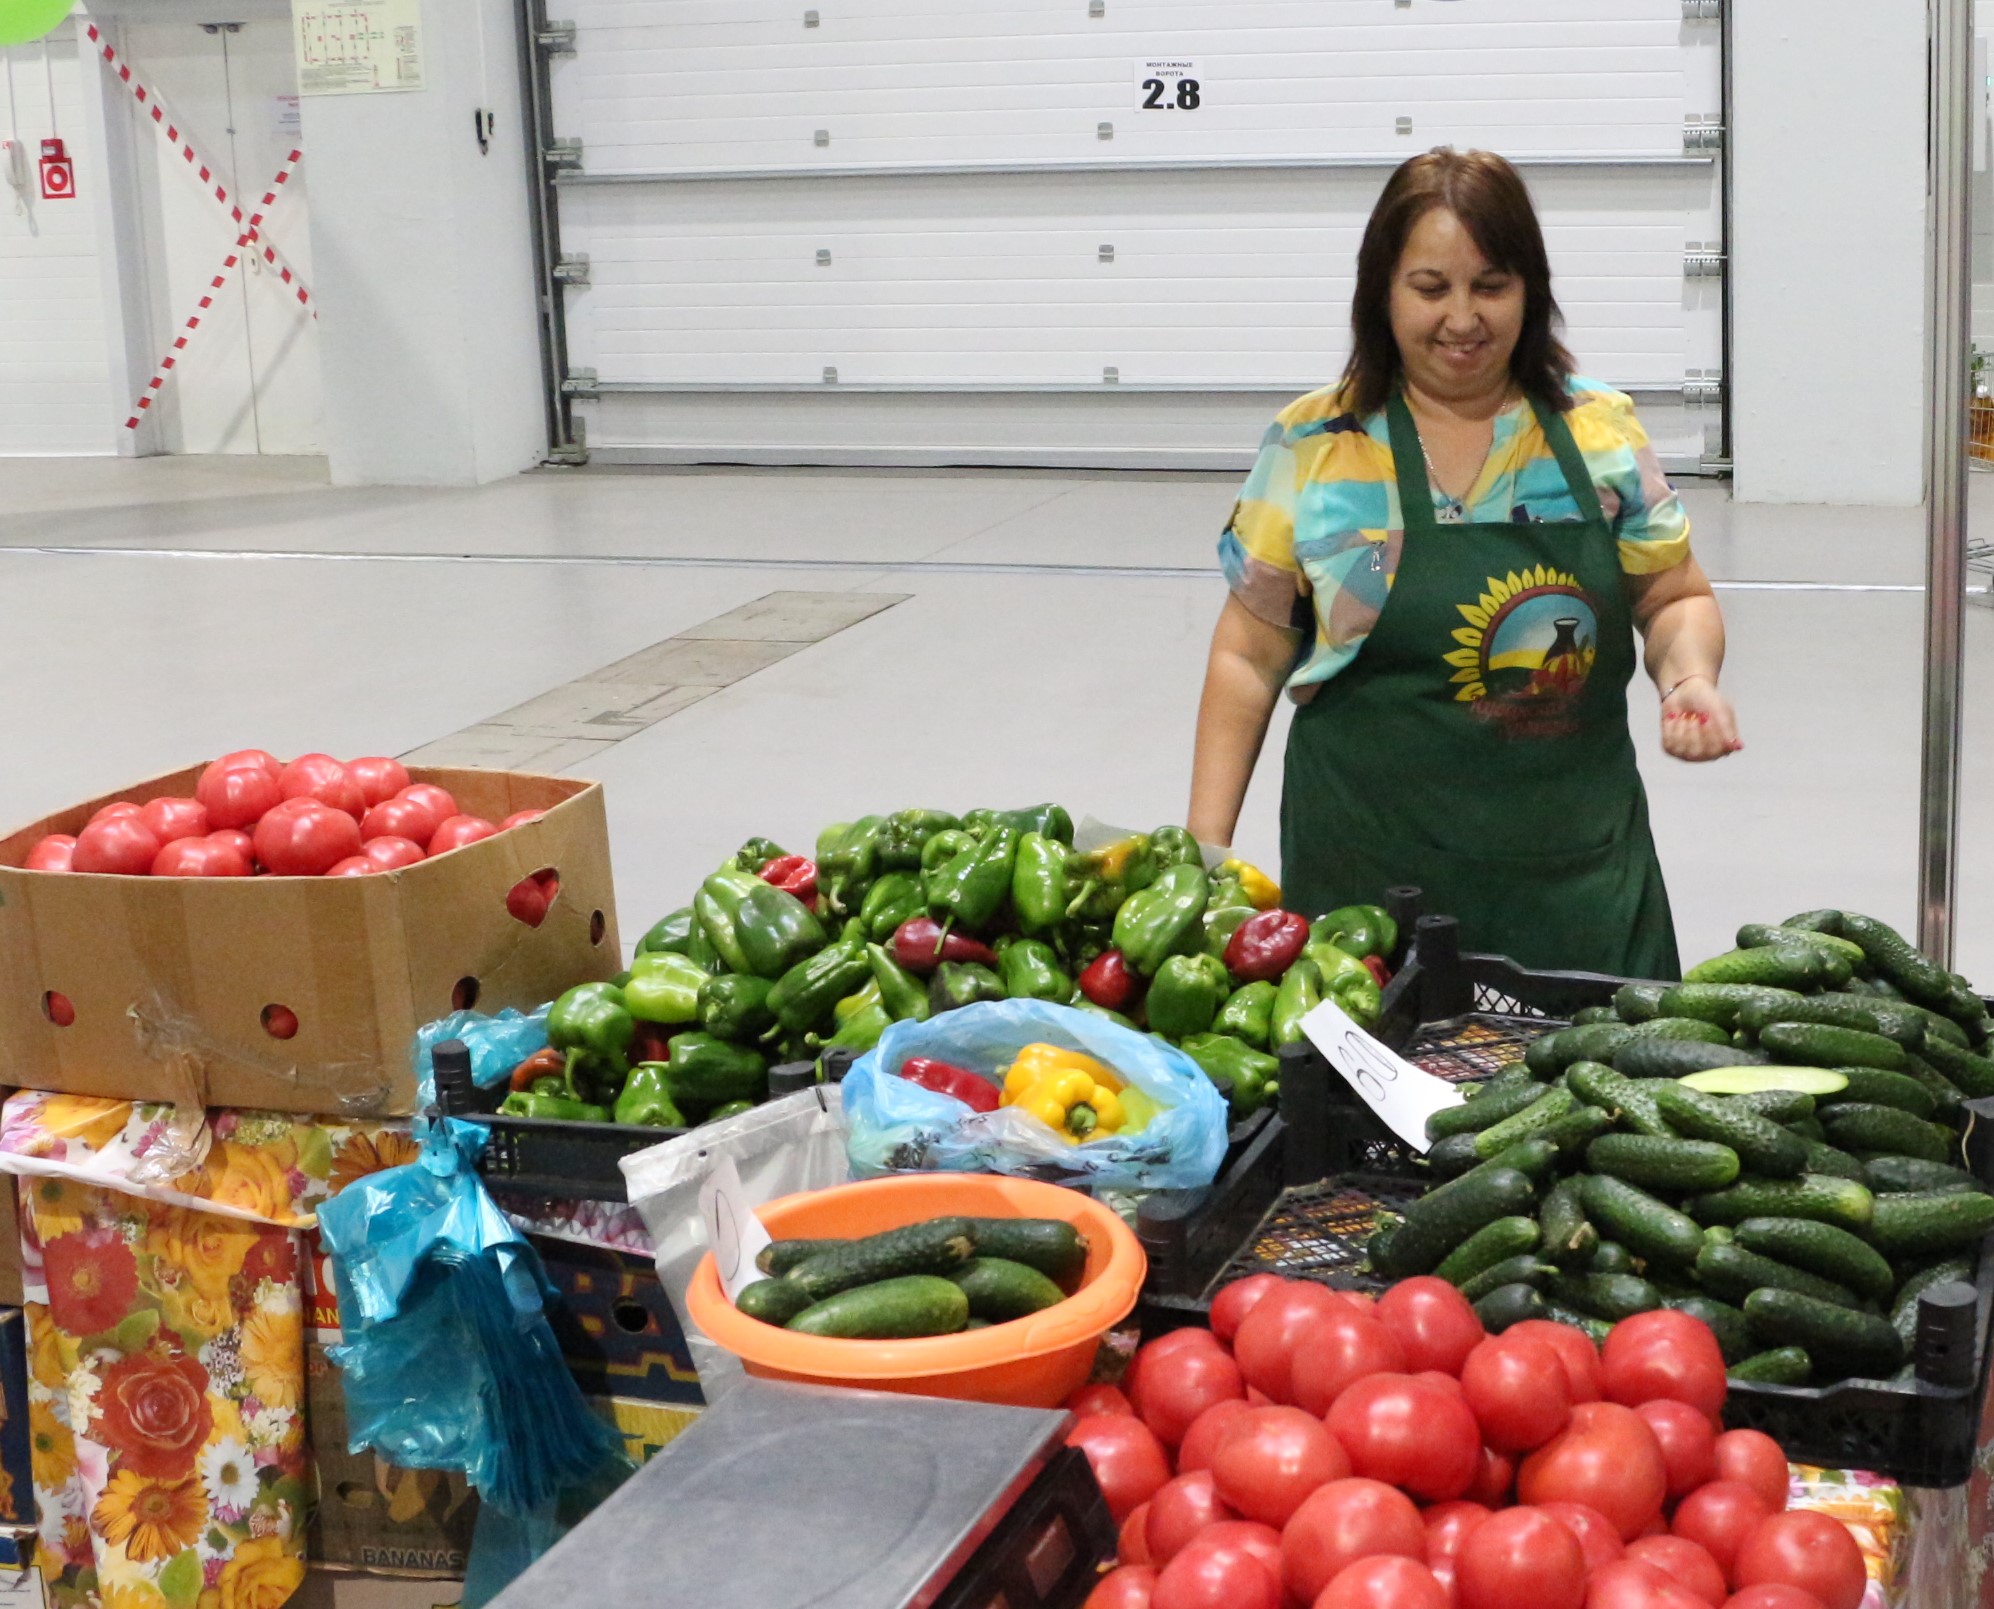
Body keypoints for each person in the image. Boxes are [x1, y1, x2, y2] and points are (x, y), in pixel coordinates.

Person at [1186, 147, 1739, 979]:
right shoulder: (1316, 448)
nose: (1462, 318)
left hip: (1577, 884)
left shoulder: (1601, 434)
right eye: (1430, 287)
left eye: (1491, 285)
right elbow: (1247, 654)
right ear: (1383, 291)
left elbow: (1673, 597)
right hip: (1367, 895)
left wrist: (1689, 675)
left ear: (1531, 291)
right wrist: (1205, 850)